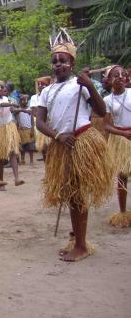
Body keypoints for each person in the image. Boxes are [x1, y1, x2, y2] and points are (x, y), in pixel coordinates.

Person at [36, 29, 113, 261]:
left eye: (63, 60)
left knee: (78, 194)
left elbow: (101, 111)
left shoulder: (80, 85)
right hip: (61, 144)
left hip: (82, 142)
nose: (58, 64)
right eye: (55, 61)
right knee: (70, 194)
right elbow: (39, 122)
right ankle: (77, 241)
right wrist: (57, 136)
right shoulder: (47, 91)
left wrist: (89, 85)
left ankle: (81, 245)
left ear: (72, 63)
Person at [103, 65, 131, 227]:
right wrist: (123, 134)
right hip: (120, 140)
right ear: (109, 81)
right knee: (122, 177)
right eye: (116, 75)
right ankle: (123, 212)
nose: (121, 77)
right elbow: (106, 125)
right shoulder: (107, 100)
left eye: (123, 74)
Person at [0, 80, 24, 191]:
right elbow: (2, 105)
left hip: (9, 128)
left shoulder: (6, 98)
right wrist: (11, 104)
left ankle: (17, 178)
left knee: (13, 153)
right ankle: (1, 181)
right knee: (2, 157)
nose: (0, 89)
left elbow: (10, 109)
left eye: (2, 87)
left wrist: (22, 110)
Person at [30, 76, 52, 161]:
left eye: (43, 86)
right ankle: (47, 165)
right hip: (41, 123)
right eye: (39, 86)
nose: (40, 87)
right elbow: (34, 112)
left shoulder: (51, 96)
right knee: (44, 146)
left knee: (51, 145)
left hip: (52, 123)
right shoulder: (34, 98)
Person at [13, 94, 35, 165]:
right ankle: (23, 160)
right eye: (23, 100)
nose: (25, 101)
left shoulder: (30, 109)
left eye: (26, 100)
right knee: (22, 146)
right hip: (21, 130)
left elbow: (32, 120)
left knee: (30, 146)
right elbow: (15, 114)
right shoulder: (18, 110)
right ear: (20, 101)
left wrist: (32, 129)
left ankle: (31, 160)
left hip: (29, 129)